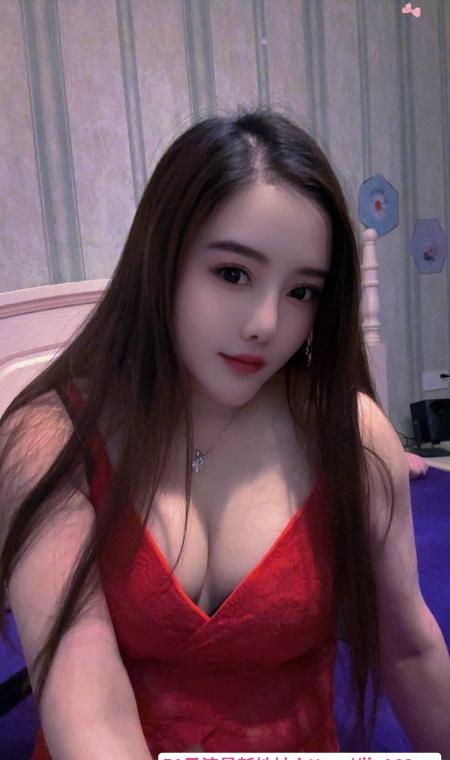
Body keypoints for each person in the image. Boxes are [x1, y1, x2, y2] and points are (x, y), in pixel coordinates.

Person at [0, 108, 449, 758]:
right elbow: (87, 707)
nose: (266, 323)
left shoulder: (348, 433)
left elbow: (409, 649)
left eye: (302, 292)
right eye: (233, 274)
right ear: (162, 260)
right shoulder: (46, 442)